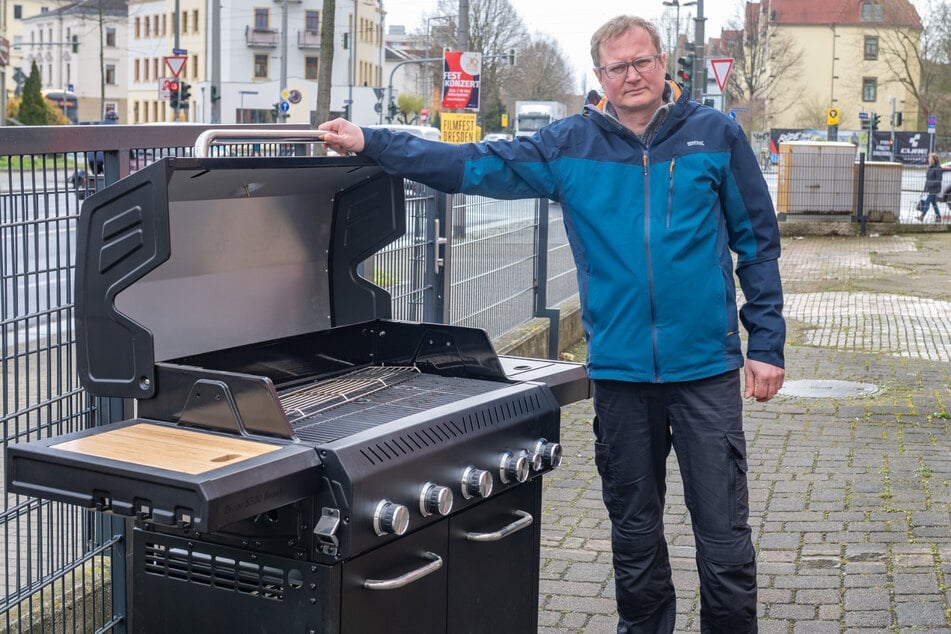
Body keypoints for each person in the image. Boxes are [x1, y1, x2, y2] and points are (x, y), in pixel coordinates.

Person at [319, 14, 784, 633]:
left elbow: (757, 244)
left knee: (724, 537)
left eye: (642, 61)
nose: (632, 75)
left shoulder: (715, 135)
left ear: (663, 63)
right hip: (619, 373)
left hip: (705, 369)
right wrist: (373, 142)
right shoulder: (569, 145)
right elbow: (469, 163)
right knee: (634, 534)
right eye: (617, 67)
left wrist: (766, 343)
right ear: (600, 76)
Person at [920, 152, 942, 222]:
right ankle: (938, 217)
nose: (928, 159)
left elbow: (939, 180)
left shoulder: (938, 168)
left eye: (930, 158)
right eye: (929, 158)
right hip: (929, 188)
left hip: (935, 189)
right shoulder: (929, 167)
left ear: (933, 160)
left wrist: (930, 184)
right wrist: (925, 189)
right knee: (934, 203)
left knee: (927, 202)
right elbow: (927, 179)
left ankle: (922, 216)